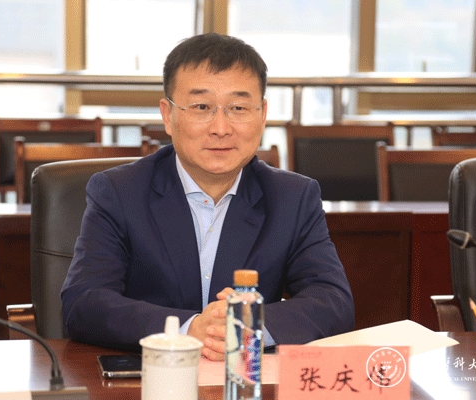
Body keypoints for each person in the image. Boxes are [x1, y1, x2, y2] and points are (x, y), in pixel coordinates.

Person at [61, 33, 354, 361]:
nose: (221, 128)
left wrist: (249, 324)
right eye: (202, 107)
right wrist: (188, 329)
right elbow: (83, 302)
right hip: (153, 375)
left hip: (242, 378)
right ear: (168, 115)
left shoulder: (292, 198)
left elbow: (333, 302)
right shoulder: (119, 191)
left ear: (262, 115)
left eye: (238, 108)